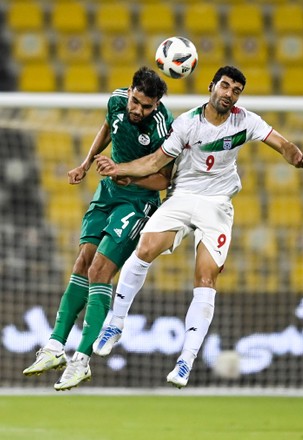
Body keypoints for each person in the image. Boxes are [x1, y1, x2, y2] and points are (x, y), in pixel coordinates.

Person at [92, 65, 303, 388]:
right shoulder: (186, 124)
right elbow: (155, 162)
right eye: (224, 86)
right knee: (145, 248)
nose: (229, 94)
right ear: (212, 87)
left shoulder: (246, 121)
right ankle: (116, 323)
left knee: (206, 277)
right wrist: (119, 168)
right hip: (182, 196)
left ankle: (186, 360)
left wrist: (297, 158)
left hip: (217, 205)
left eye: (236, 90)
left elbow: (282, 144)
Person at [23, 66, 174, 391]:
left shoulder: (164, 126)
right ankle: (53, 347)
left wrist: (126, 174)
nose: (137, 110)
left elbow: (165, 178)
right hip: (107, 191)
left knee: (100, 269)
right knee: (81, 263)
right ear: (130, 91)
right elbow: (109, 126)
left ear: (157, 104)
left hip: (137, 201)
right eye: (135, 101)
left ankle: (82, 360)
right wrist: (87, 162)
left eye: (146, 106)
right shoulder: (117, 100)